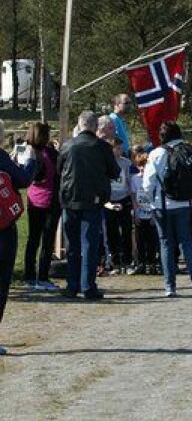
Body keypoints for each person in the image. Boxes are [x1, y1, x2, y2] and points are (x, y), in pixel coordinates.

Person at [58, 111, 121, 300]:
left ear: (79, 124)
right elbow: (114, 171)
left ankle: (72, 285)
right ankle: (88, 286)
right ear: (95, 126)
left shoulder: (67, 145)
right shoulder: (102, 147)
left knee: (72, 246)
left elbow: (59, 169)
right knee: (89, 245)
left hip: (70, 200)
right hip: (93, 201)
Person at [142, 121, 192, 298]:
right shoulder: (188, 151)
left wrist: (150, 201)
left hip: (162, 204)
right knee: (187, 242)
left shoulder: (156, 154)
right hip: (185, 203)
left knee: (166, 244)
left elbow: (148, 183)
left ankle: (170, 286)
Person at [0, 119, 33, 355]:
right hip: (2, 228)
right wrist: (29, 159)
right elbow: (23, 179)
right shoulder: (0, 157)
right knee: (1, 283)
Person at [22, 122, 60, 291]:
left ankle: (30, 276)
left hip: (34, 199)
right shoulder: (47, 154)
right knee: (46, 240)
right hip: (49, 200)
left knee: (33, 239)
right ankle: (41, 276)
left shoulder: (30, 152)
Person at [103, 138, 134, 275]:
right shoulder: (105, 163)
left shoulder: (126, 163)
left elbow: (129, 180)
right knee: (112, 230)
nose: (120, 151)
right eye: (117, 148)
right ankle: (115, 261)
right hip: (109, 200)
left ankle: (128, 261)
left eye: (121, 148)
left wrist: (130, 197)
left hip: (124, 198)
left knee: (126, 230)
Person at [129, 152, 159, 275]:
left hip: (151, 214)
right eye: (140, 165)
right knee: (139, 240)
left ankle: (152, 264)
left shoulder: (154, 180)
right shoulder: (135, 179)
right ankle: (141, 264)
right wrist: (136, 214)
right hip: (139, 214)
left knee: (152, 241)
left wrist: (153, 215)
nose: (143, 168)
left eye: (145, 166)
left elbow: (155, 197)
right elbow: (133, 197)